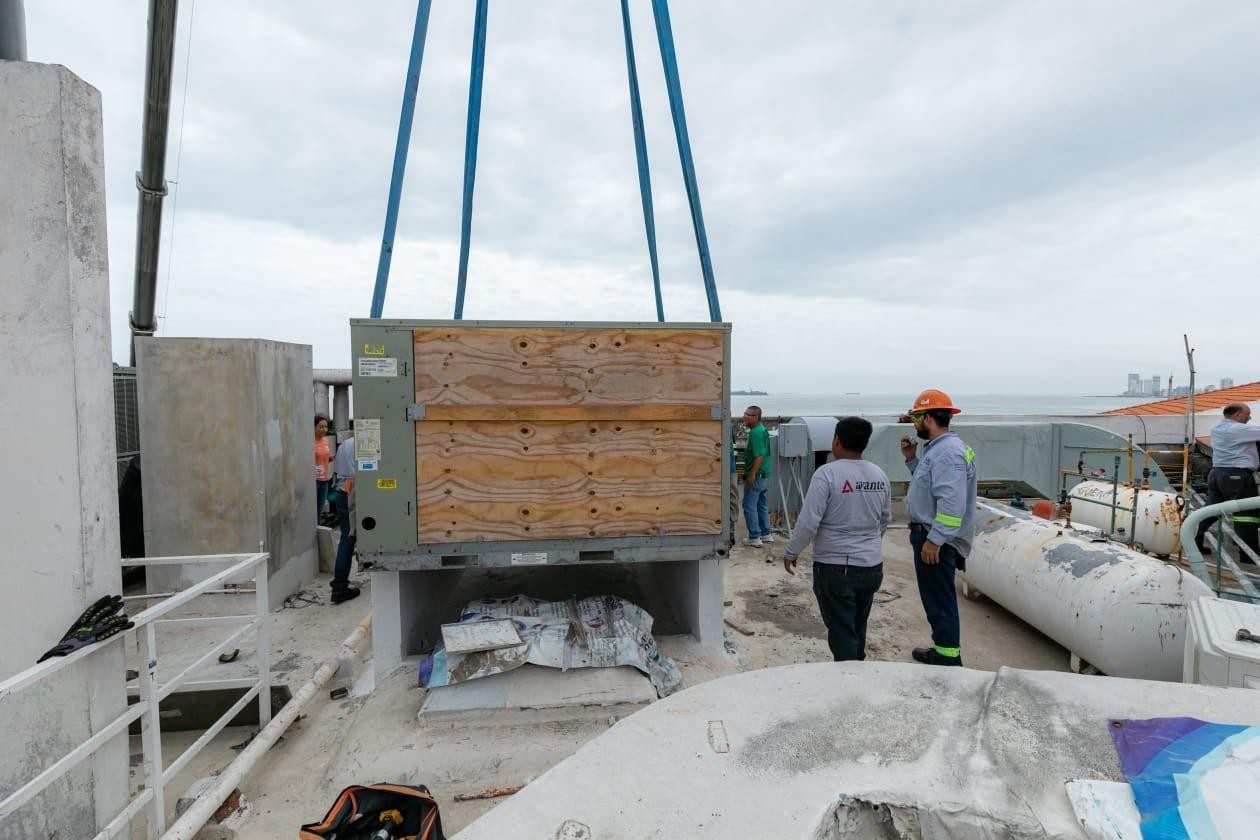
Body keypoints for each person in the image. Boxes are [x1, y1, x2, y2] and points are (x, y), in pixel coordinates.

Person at [782, 417, 892, 661]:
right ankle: (858, 668)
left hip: (836, 568)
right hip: (871, 567)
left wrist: (792, 551)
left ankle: (849, 682)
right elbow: (884, 520)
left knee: (842, 631)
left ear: (837, 441)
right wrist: (869, 545)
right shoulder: (879, 475)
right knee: (857, 626)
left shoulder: (827, 474)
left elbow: (809, 521)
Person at [900, 389, 977, 667]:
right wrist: (911, 460)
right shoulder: (941, 450)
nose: (914, 424)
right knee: (936, 598)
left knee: (940, 600)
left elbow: (951, 503)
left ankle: (947, 660)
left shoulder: (947, 454)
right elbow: (931, 487)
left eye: (917, 417)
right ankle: (944, 650)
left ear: (930, 418)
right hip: (932, 535)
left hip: (935, 540)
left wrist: (935, 540)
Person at [1194, 403, 1260, 560]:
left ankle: (1193, 539)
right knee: (1246, 514)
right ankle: (1249, 554)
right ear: (1236, 415)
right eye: (1247, 414)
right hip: (1236, 476)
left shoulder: (1217, 428)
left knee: (1210, 511)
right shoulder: (1237, 429)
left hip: (1217, 474)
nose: (1249, 417)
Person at [329, 425, 361, 604]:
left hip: (343, 491)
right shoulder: (365, 444)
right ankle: (339, 587)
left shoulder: (344, 445)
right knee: (349, 538)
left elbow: (337, 471)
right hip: (355, 492)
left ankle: (340, 584)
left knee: (347, 536)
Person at [741, 406, 773, 547]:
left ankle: (755, 537)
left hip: (757, 475)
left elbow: (759, 457)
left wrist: (751, 475)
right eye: (744, 414)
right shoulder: (762, 430)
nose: (744, 417)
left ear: (756, 417)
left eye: (747, 414)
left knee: (749, 506)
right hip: (764, 475)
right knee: (761, 505)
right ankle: (766, 534)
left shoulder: (755, 433)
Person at [314, 414, 332, 525]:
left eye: (326, 427)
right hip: (313, 481)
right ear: (314, 427)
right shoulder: (309, 441)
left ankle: (316, 533)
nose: (324, 429)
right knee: (311, 510)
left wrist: (331, 458)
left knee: (319, 510)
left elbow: (324, 457)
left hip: (324, 480)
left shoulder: (325, 441)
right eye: (321, 427)